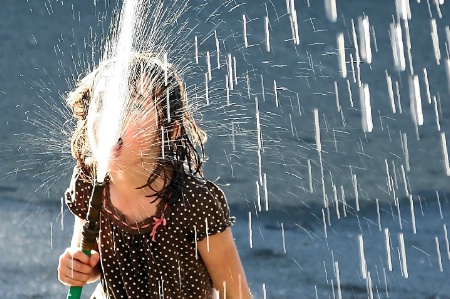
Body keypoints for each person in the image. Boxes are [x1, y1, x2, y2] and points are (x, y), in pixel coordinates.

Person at [57, 52, 252, 299]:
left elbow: (236, 294)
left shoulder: (194, 201)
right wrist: (77, 268)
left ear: (169, 130)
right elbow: (89, 258)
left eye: (135, 105)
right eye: (103, 102)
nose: (114, 117)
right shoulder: (89, 181)